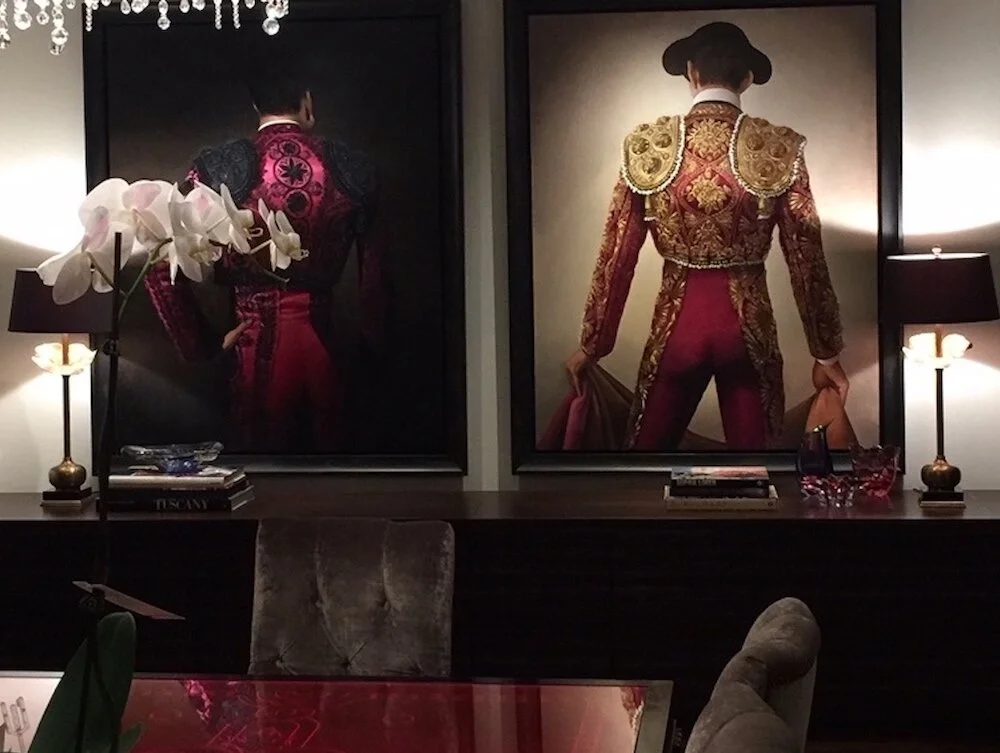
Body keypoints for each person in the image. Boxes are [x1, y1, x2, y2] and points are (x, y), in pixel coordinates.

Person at [565, 21, 848, 451]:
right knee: (757, 467)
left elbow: (617, 252)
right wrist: (825, 354)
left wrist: (592, 345)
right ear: (747, 79)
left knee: (645, 462)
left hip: (676, 326)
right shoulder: (779, 147)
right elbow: (806, 258)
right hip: (749, 329)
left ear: (691, 72)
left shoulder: (648, 146)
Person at [144, 54, 382, 454]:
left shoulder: (215, 168)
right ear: (308, 102)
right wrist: (373, 357)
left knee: (261, 472)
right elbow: (376, 284)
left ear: (256, 105)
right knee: (334, 470)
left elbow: (158, 262)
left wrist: (201, 345)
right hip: (328, 350)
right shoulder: (353, 168)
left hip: (251, 351)